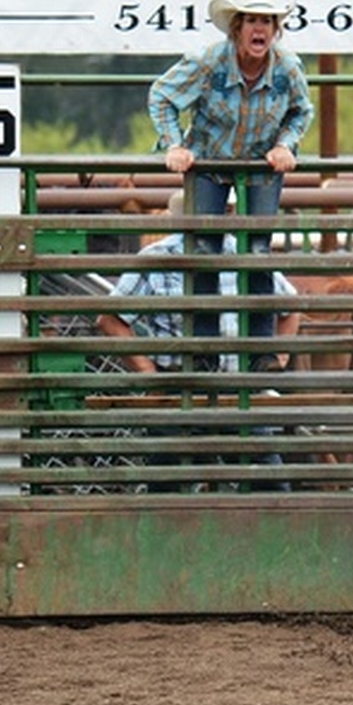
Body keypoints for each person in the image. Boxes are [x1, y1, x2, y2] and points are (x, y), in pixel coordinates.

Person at [148, 0, 314, 374]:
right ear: (237, 27)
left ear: (276, 30)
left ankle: (262, 353)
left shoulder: (288, 67)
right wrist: (175, 145)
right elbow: (162, 96)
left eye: (268, 22)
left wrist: (286, 144)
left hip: (261, 161)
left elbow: (301, 111)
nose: (260, 30)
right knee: (204, 249)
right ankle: (204, 350)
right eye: (253, 21)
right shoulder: (208, 61)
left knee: (257, 250)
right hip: (208, 159)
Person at [96, 193, 301, 492]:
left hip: (203, 388)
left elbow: (110, 319)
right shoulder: (168, 257)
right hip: (215, 388)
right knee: (265, 484)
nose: (227, 214)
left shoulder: (163, 258)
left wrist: (148, 373)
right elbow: (110, 319)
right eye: (224, 208)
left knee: (171, 486)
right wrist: (150, 375)